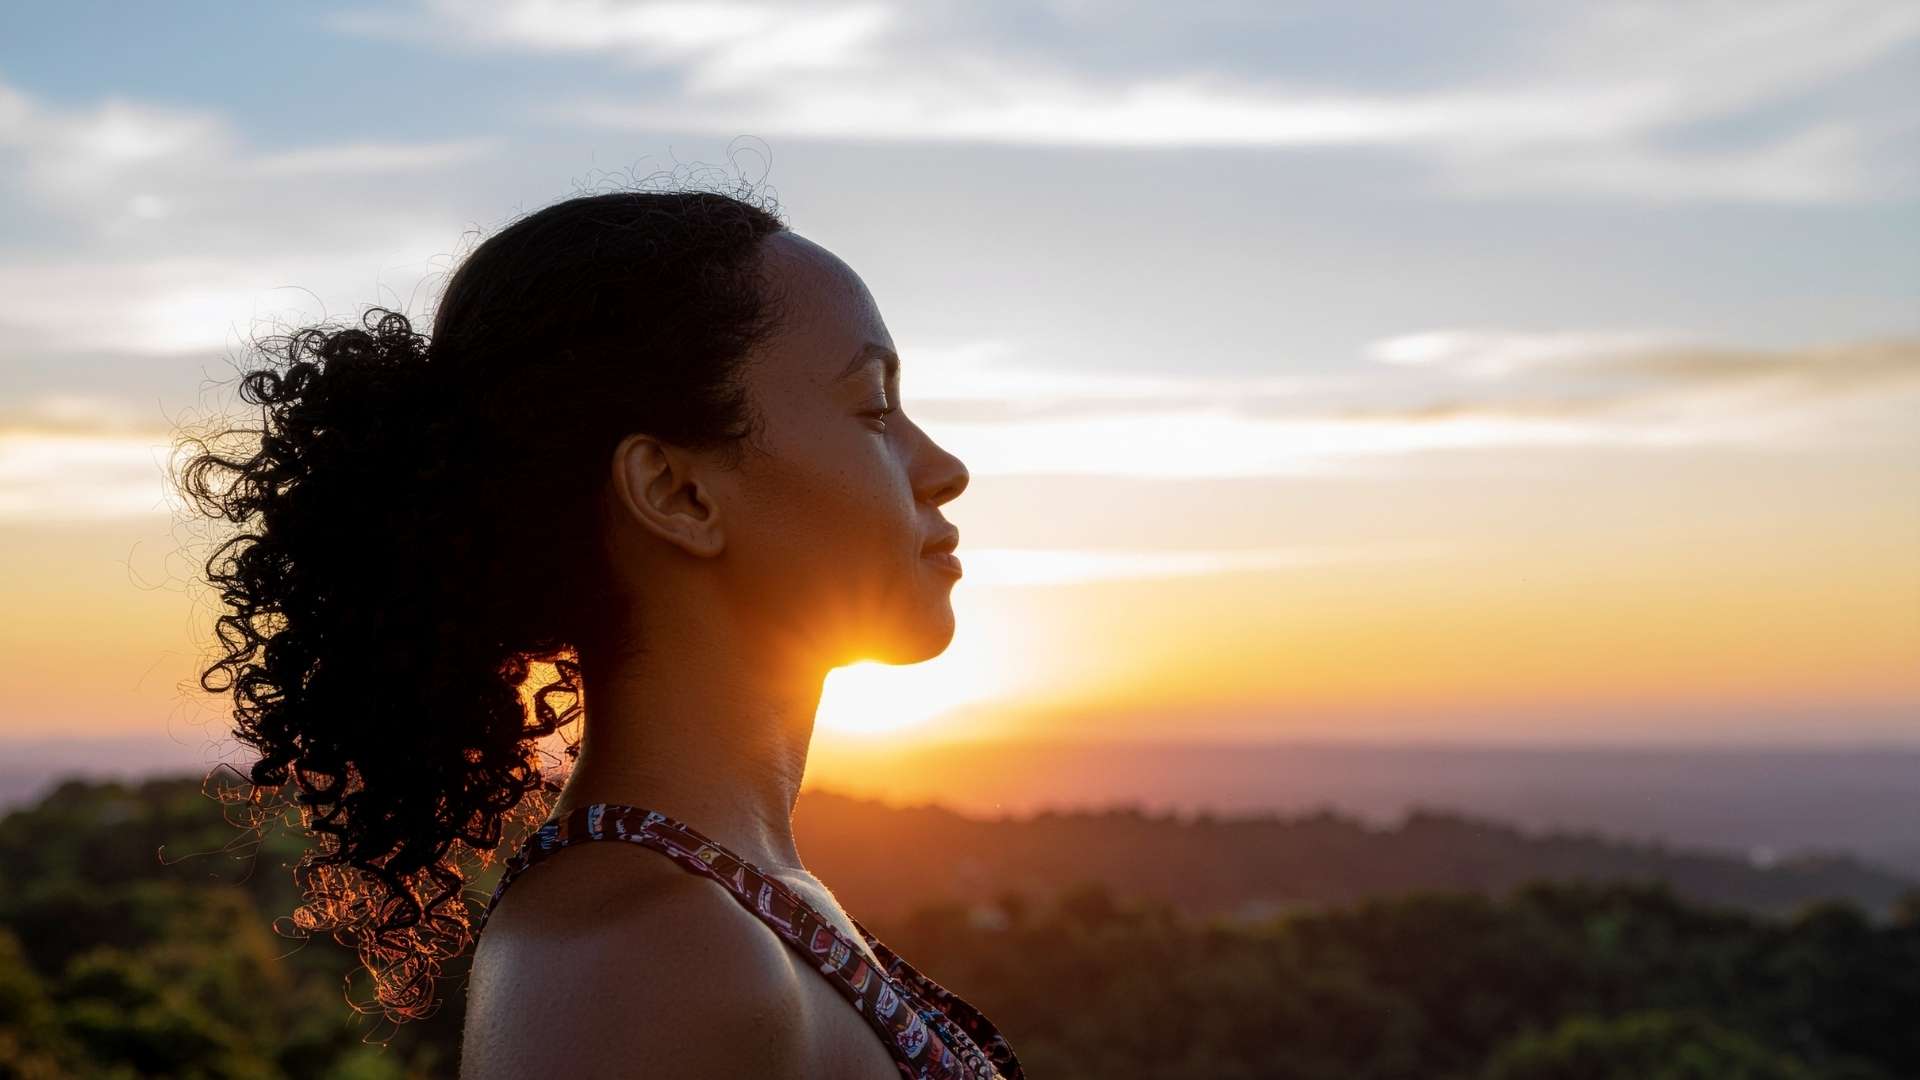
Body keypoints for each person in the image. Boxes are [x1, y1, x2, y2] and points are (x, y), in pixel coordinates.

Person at [173, 186, 1024, 1078]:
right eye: (875, 406)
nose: (945, 469)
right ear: (676, 492)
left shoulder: (706, 909)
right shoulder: (647, 958)